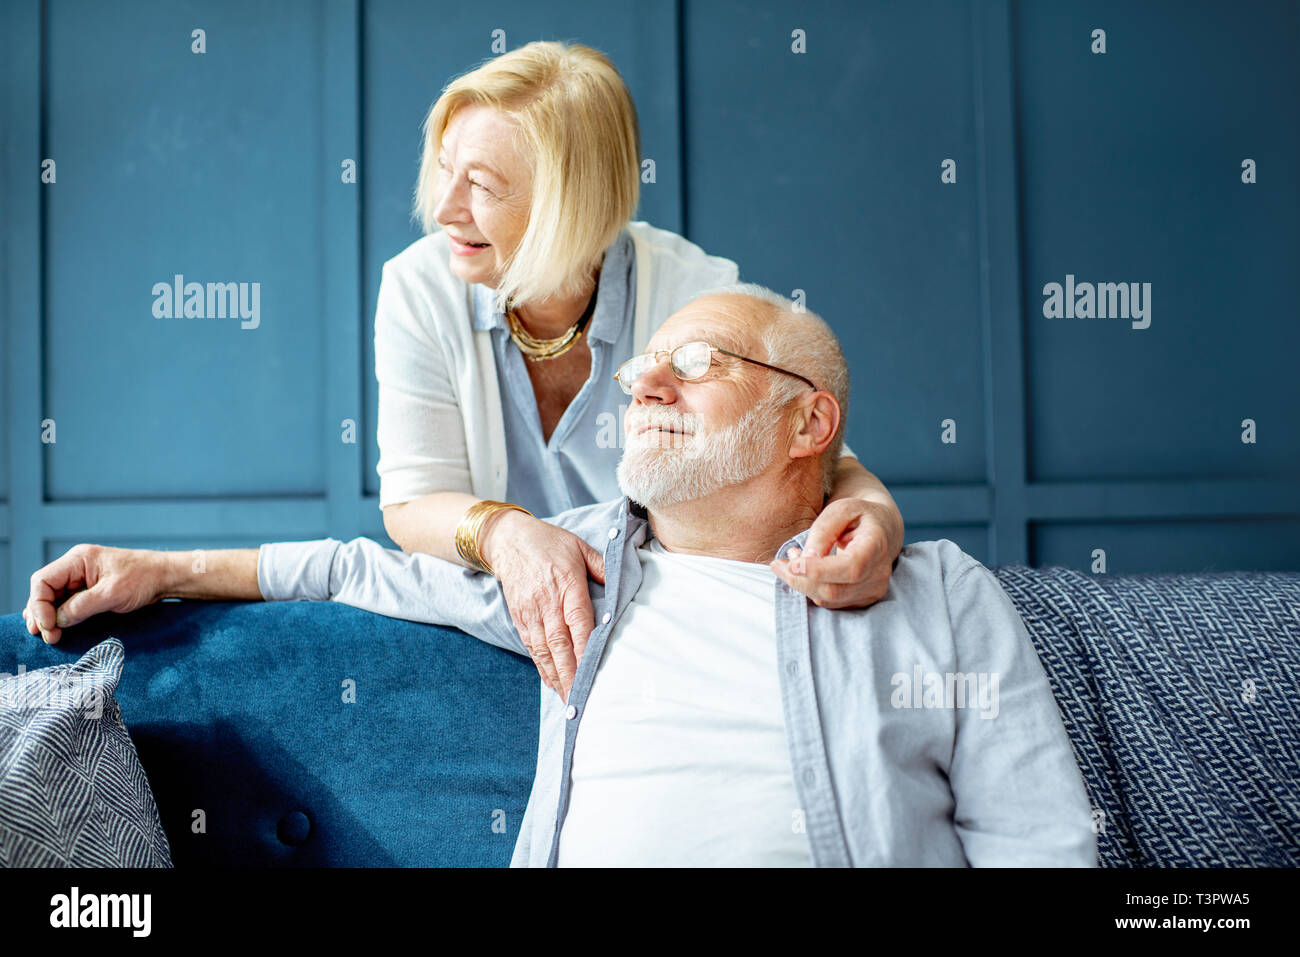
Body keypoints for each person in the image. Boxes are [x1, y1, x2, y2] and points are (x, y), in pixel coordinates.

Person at [22, 286, 1098, 868]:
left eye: (697, 363)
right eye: (640, 370)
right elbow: (359, 569)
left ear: (807, 421)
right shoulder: (573, 560)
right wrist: (161, 566)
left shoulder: (938, 594)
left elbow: (1036, 838)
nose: (644, 386)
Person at [367, 40, 906, 700]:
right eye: (445, 169)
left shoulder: (696, 292)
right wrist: (511, 536)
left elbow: (816, 450)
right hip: (495, 627)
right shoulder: (418, 287)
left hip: (665, 631)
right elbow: (413, 501)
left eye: (479, 184)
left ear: (571, 203)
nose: (442, 207)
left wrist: (879, 522)